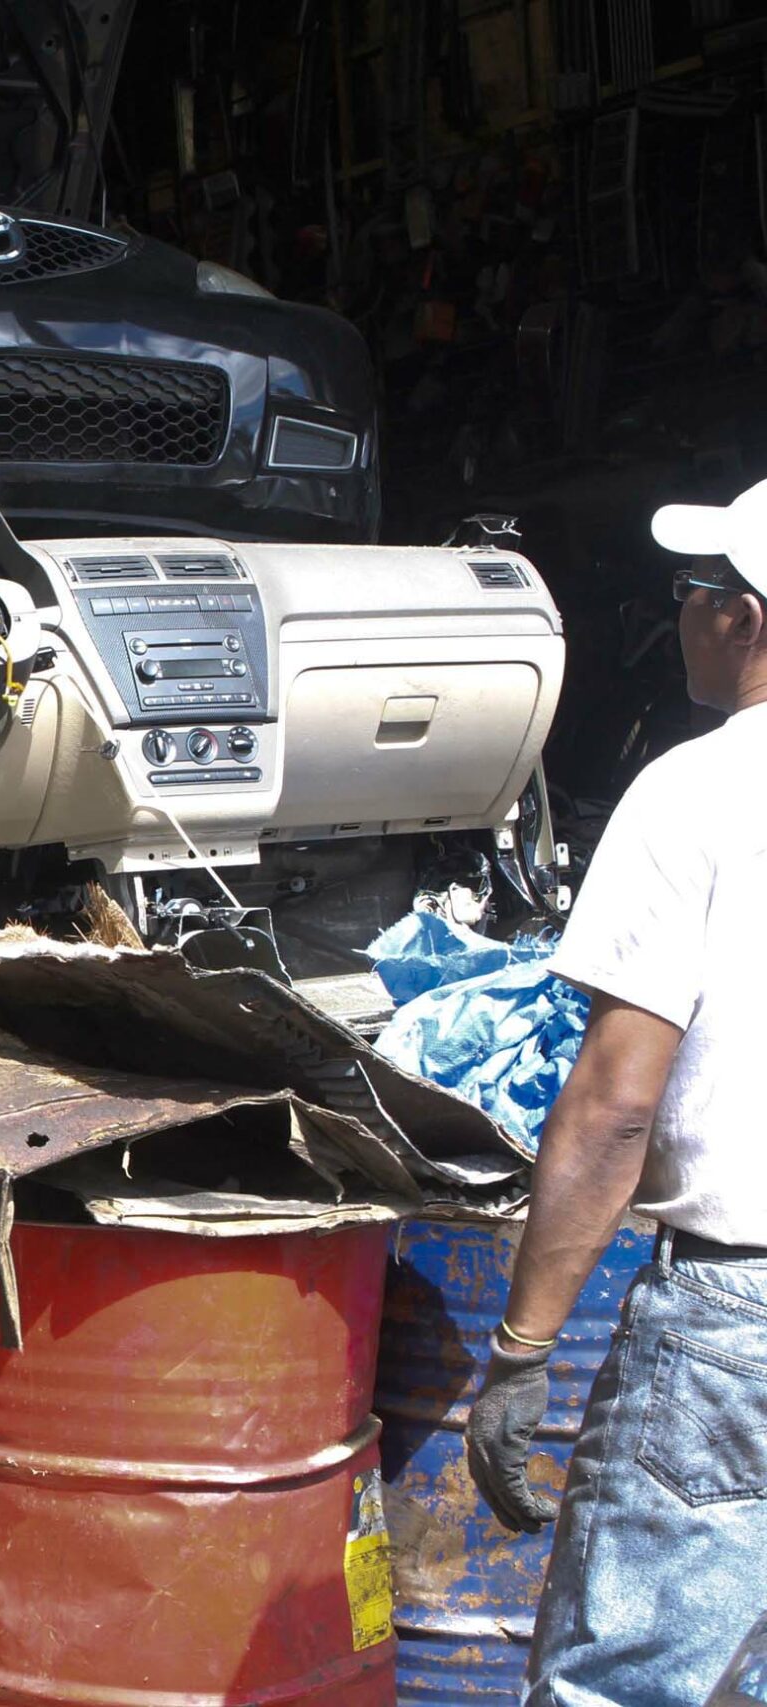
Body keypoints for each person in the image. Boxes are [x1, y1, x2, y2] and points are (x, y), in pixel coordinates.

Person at [467, 476, 767, 1705]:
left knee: (626, 1685)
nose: (680, 615)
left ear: (745, 615)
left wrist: (523, 1347)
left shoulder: (696, 791)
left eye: (691, 594)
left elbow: (611, 1104)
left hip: (735, 1329)